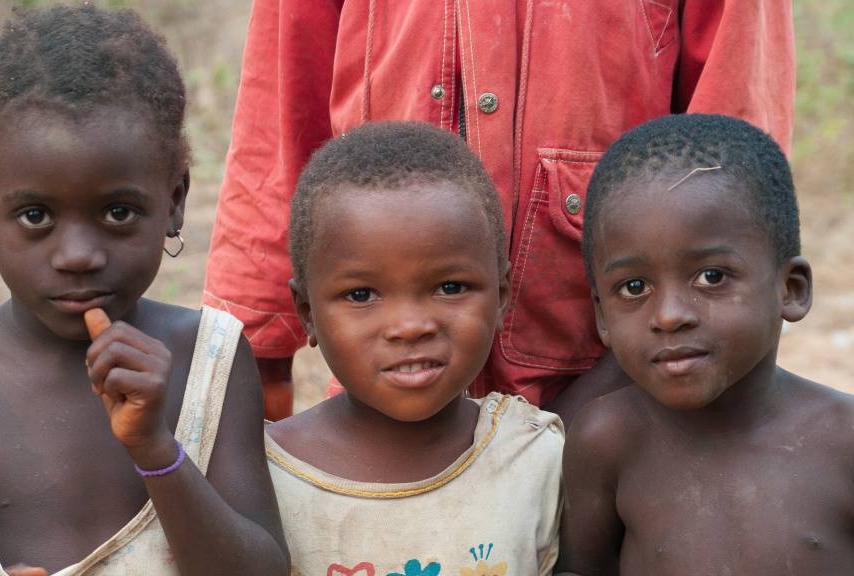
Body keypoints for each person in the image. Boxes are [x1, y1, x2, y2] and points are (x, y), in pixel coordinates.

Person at [0, 6, 288, 575]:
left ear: (174, 201)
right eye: (35, 216)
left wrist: (156, 450)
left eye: (118, 211)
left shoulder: (210, 360)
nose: (78, 255)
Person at [203, 0, 796, 422]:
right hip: (379, 368)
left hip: (610, 364)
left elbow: (730, 129)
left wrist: (720, 301)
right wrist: (256, 340)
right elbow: (281, 103)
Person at [555, 114, 854, 575]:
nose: (670, 315)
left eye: (711, 276)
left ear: (790, 289)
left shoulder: (843, 439)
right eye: (634, 287)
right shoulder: (605, 441)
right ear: (601, 315)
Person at [265, 122, 563, 575]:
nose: (409, 328)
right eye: (362, 295)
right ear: (307, 313)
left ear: (501, 295)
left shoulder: (534, 458)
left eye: (449, 286)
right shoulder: (263, 476)